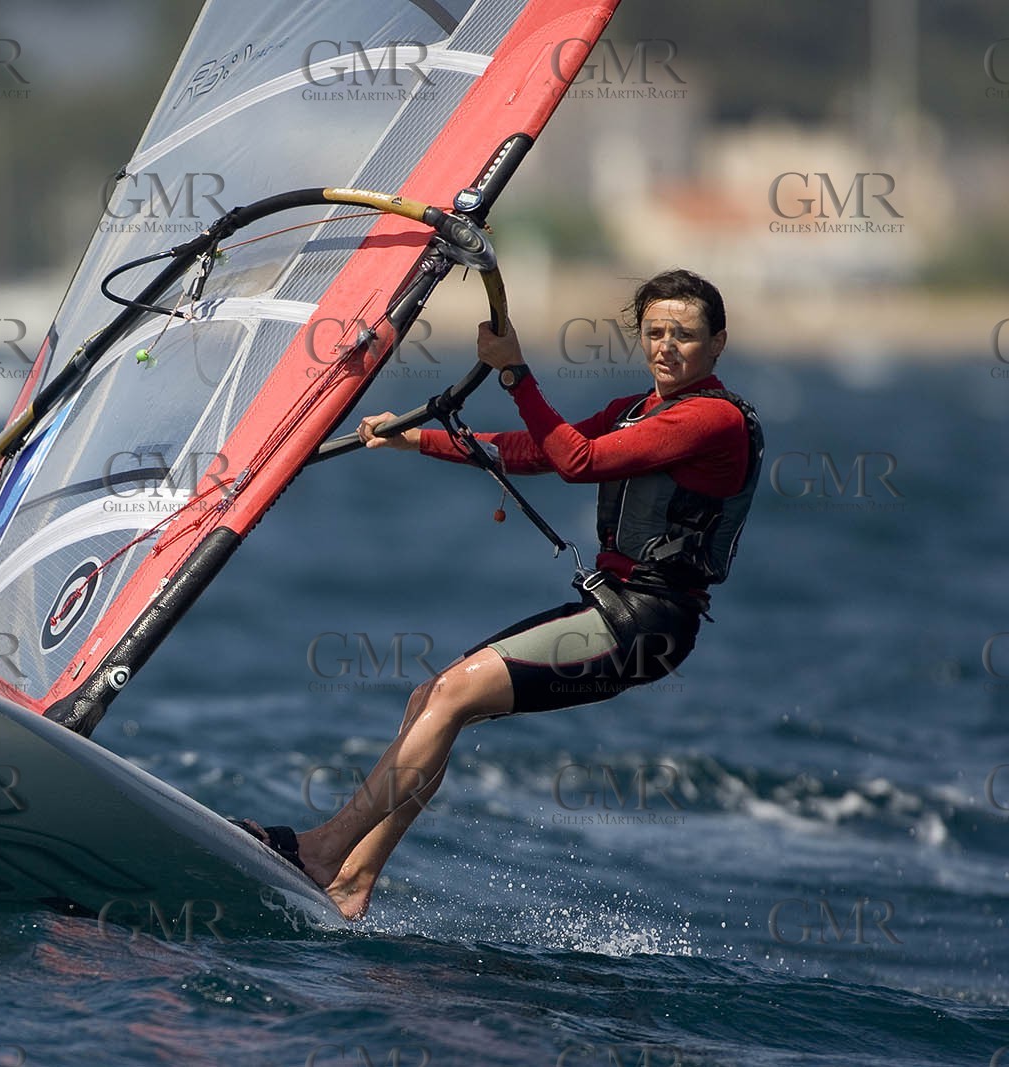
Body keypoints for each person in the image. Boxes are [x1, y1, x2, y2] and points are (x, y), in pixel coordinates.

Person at [231, 268, 763, 919]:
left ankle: (321, 850)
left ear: (718, 343)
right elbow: (538, 450)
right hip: (613, 609)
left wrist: (515, 374)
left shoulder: (713, 419)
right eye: (655, 331)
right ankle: (352, 880)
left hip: (648, 625)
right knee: (431, 697)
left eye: (684, 334)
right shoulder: (639, 410)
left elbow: (578, 462)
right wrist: (417, 439)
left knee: (452, 694)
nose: (667, 346)